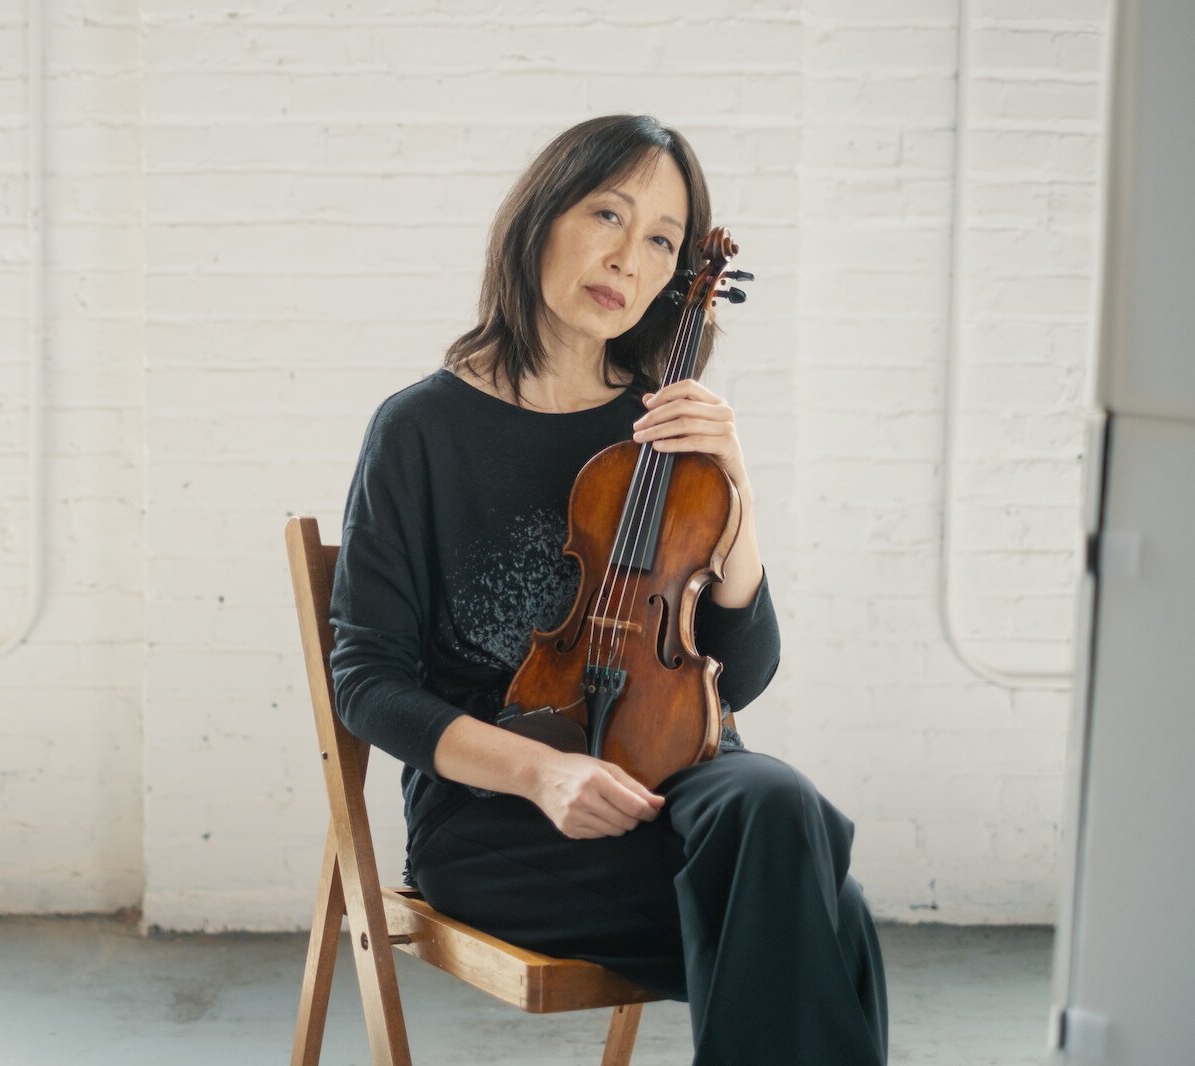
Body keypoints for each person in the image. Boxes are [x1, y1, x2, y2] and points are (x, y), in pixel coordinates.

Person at [327, 114, 889, 1065]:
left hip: (679, 777)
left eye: (664, 240)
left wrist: (734, 487)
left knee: (778, 806)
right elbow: (368, 681)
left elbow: (739, 676)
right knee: (822, 910)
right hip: (503, 815)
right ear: (541, 218)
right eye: (608, 214)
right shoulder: (420, 430)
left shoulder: (658, 424)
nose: (629, 258)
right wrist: (546, 772)